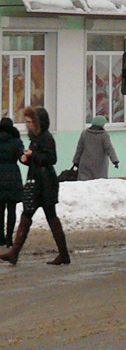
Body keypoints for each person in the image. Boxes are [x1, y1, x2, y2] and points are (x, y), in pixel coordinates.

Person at [0, 107, 70, 265]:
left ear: (38, 123)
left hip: (46, 183)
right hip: (37, 182)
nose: (27, 125)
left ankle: (63, 254)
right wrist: (26, 159)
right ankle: (15, 252)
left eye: (30, 122)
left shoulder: (46, 137)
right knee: (27, 216)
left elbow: (51, 159)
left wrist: (33, 155)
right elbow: (38, 160)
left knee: (50, 217)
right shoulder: (36, 137)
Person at [0, 117, 24, 247]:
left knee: (0, 210)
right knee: (12, 209)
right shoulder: (16, 141)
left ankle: (1, 238)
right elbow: (22, 158)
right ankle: (9, 238)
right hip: (13, 176)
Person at [72, 115, 120, 180]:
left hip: (85, 164)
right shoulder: (104, 135)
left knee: (84, 185)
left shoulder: (85, 133)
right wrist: (115, 161)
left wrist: (76, 161)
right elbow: (109, 149)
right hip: (100, 166)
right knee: (98, 185)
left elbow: (79, 149)